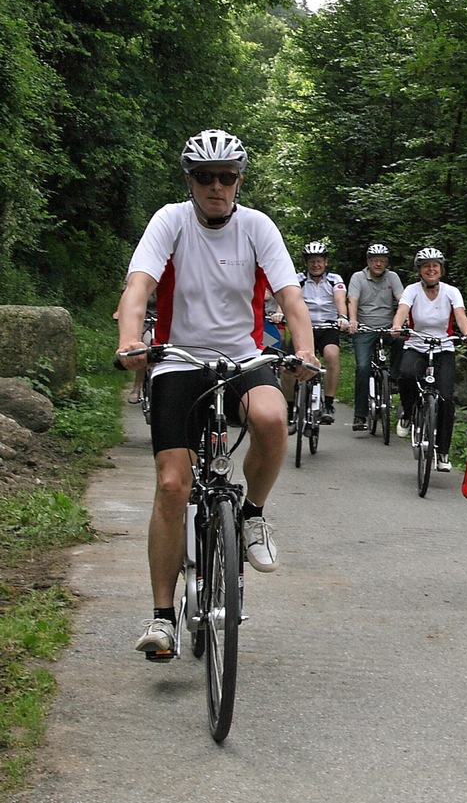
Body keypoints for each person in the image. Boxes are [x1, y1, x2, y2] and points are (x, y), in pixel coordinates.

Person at [115, 129, 320, 659]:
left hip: (242, 357)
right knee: (171, 484)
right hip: (179, 359)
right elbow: (138, 285)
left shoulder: (256, 227)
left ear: (238, 180)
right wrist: (130, 341)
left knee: (273, 419)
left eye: (225, 176)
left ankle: (251, 513)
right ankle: (163, 617)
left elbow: (291, 297)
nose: (215, 186)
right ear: (190, 180)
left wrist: (305, 351)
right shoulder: (170, 221)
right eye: (204, 176)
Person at [392, 247, 467, 471]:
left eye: (435, 265)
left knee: (446, 399)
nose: (431, 269)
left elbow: (460, 316)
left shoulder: (451, 292)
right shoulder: (412, 290)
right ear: (419, 270)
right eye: (426, 266)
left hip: (443, 348)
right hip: (416, 345)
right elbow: (403, 310)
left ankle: (443, 453)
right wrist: (396, 326)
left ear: (441, 269)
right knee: (407, 375)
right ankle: (408, 414)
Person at [279, 241, 348, 429]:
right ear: (306, 263)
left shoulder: (335, 279)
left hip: (327, 328)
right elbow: (286, 298)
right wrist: (280, 312)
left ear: (325, 262)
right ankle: (290, 406)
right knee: (287, 368)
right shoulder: (298, 279)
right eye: (311, 261)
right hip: (303, 328)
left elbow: (340, 299)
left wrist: (342, 316)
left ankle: (328, 404)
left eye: (319, 261)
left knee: (331, 355)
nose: (315, 264)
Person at [348, 243, 406, 431]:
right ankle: (360, 416)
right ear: (368, 262)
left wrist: (403, 321)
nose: (378, 264)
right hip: (365, 329)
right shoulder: (358, 277)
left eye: (382, 261)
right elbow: (353, 300)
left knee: (401, 341)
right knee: (363, 367)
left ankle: (394, 378)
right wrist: (353, 321)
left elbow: (402, 299)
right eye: (375, 260)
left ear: (386, 262)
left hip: (388, 327)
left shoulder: (392, 277)